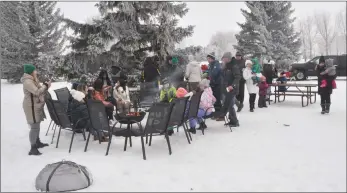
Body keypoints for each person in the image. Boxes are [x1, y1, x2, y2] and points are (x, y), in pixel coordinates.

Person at [21, 64, 51, 156]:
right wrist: (45, 85)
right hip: (31, 107)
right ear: (31, 72)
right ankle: (33, 148)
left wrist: (46, 86)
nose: (36, 72)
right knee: (34, 126)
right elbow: (37, 92)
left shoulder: (33, 80)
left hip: (35, 105)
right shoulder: (28, 82)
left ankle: (37, 142)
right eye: (34, 71)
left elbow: (40, 90)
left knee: (37, 124)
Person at [216, 52, 241, 127]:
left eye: (224, 58)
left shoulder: (234, 66)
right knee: (229, 105)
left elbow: (238, 77)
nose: (223, 59)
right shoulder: (226, 66)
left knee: (230, 105)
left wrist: (232, 85)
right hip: (225, 88)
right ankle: (232, 120)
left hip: (231, 89)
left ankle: (235, 121)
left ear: (228, 58)